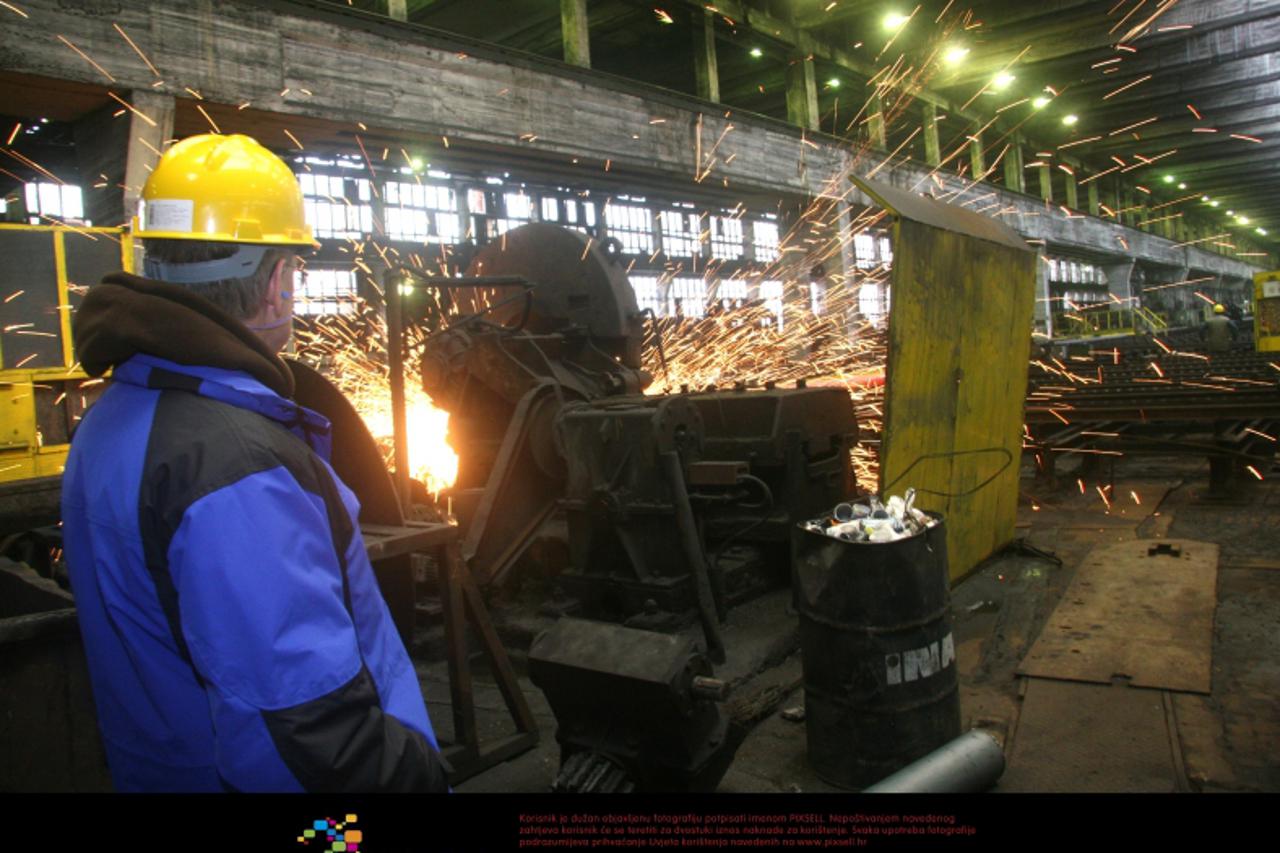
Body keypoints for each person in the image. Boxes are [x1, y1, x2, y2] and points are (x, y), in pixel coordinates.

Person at [61, 134, 449, 793]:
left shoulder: (113, 415)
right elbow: (315, 734)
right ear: (274, 283)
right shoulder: (238, 467)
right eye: (295, 271)